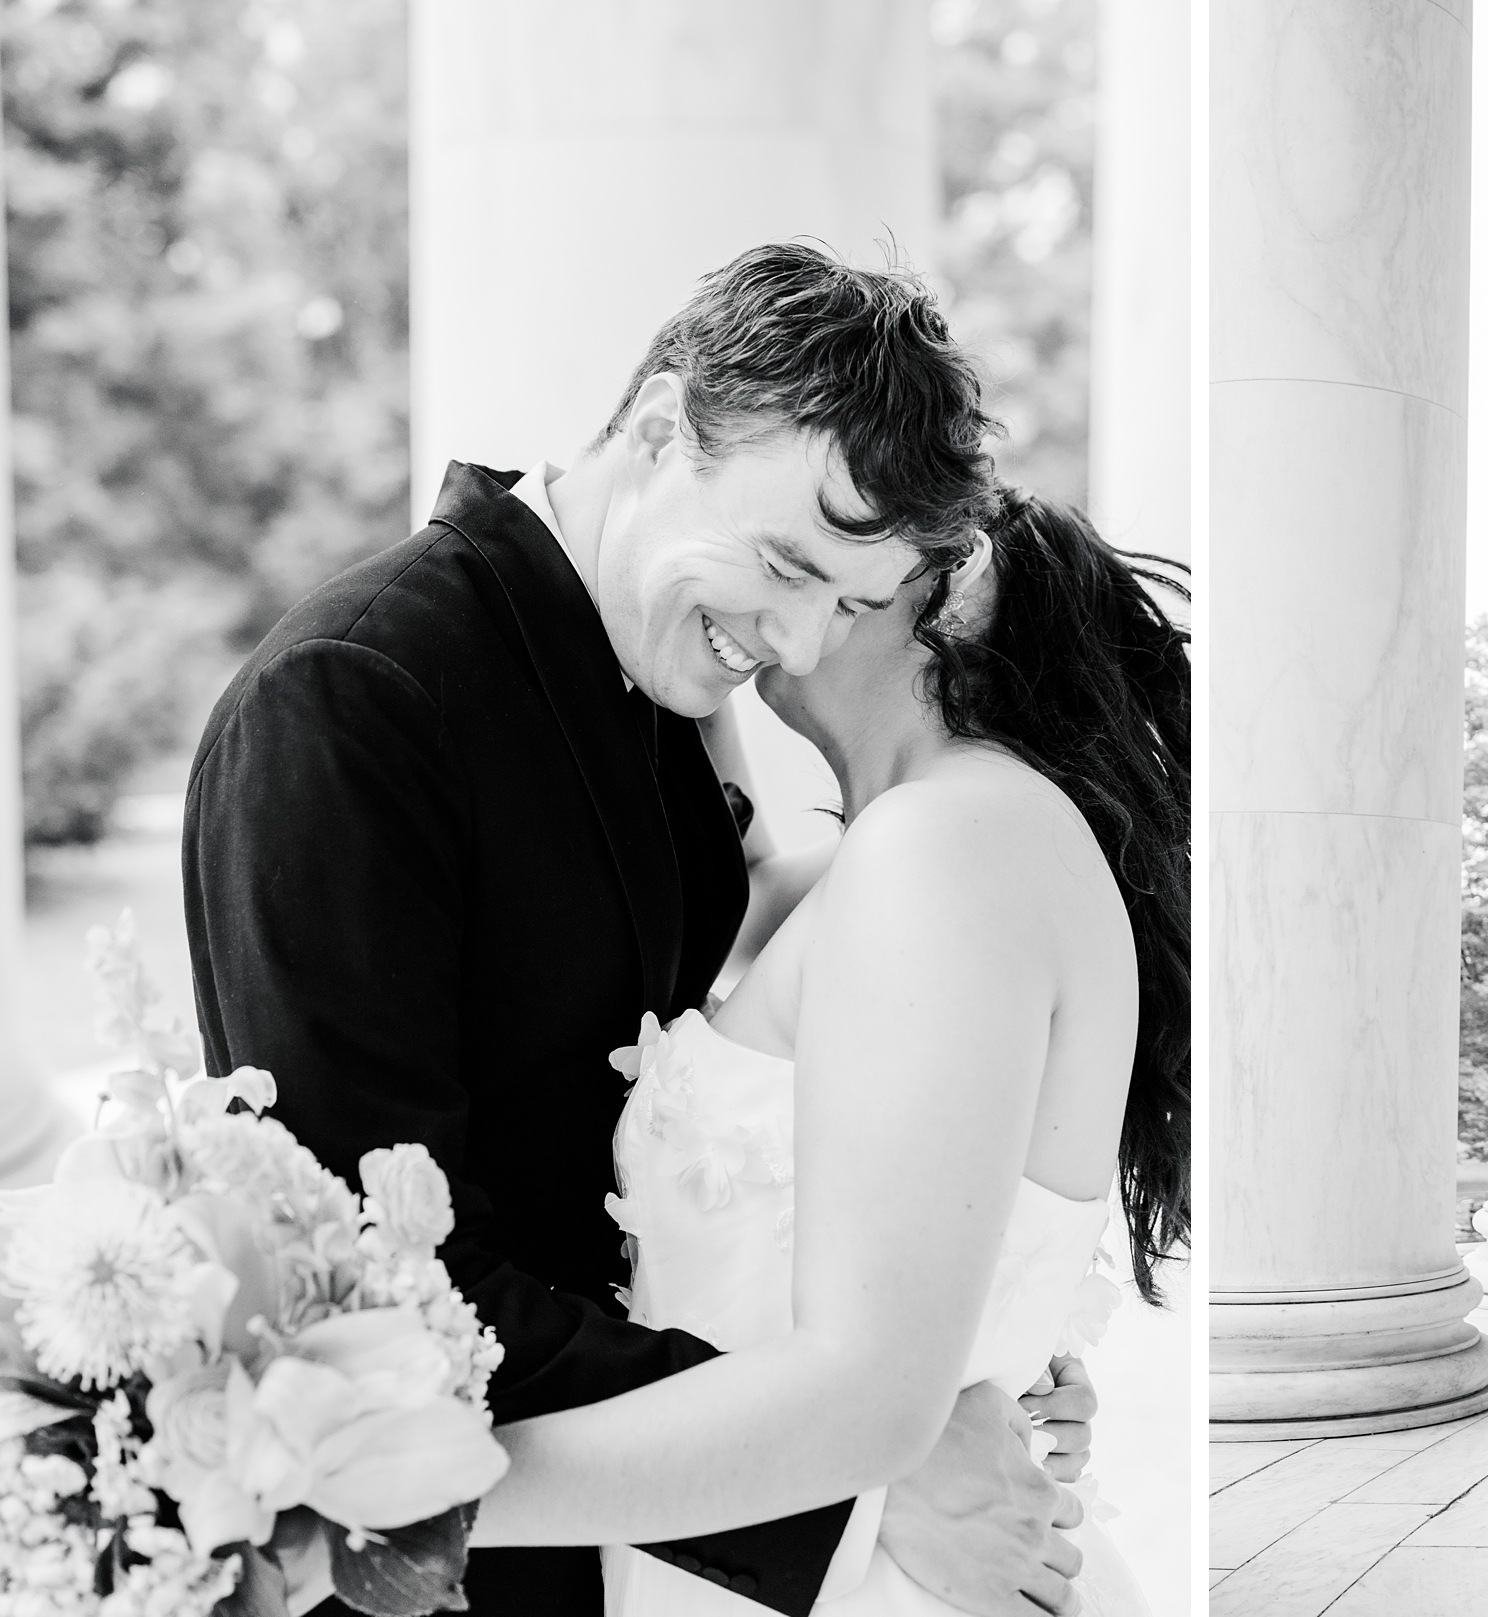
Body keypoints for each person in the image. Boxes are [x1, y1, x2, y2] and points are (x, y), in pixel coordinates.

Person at [184, 245, 1103, 1617]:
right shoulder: (358, 700)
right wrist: (846, 1473)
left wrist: (973, 1350)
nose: (796, 643)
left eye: (850, 605)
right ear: (665, 427)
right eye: (786, 565)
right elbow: (374, 1288)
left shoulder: (663, 687)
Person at [469, 483, 1187, 1617]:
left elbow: (867, 1387)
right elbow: (730, 889)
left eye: (839, 576)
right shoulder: (904, 851)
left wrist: (415, 1493)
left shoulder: (942, 847)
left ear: (952, 603)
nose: (787, 611)